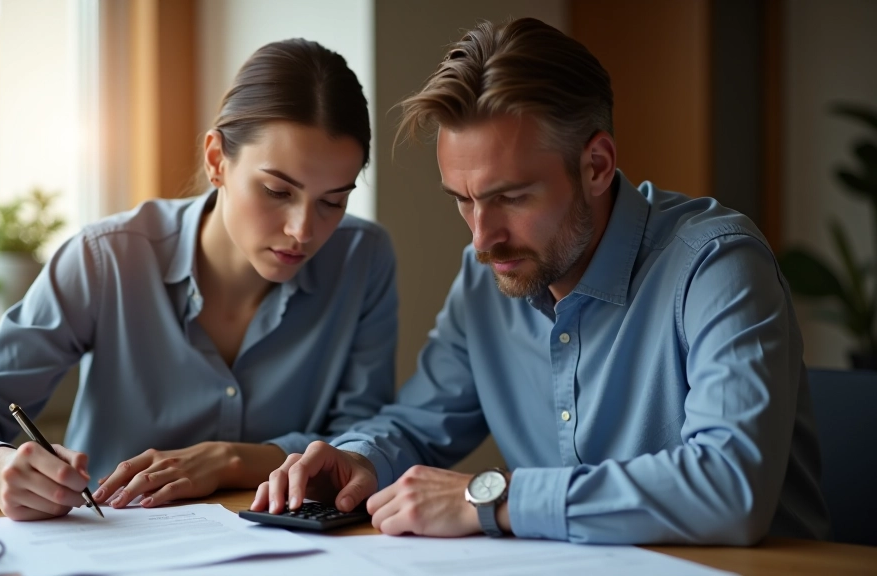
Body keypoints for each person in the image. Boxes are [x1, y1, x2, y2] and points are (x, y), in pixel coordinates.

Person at [252, 18, 829, 545]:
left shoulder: (717, 266)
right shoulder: (488, 279)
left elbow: (730, 489)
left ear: (597, 165)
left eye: (511, 197)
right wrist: (360, 460)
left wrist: (494, 499)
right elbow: (420, 425)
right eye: (464, 201)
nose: (482, 239)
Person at [0, 39, 397, 522]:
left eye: (333, 200)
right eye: (276, 190)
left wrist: (233, 460)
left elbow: (361, 440)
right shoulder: (106, 259)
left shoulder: (362, 258)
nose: (303, 230)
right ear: (216, 160)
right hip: (109, 547)